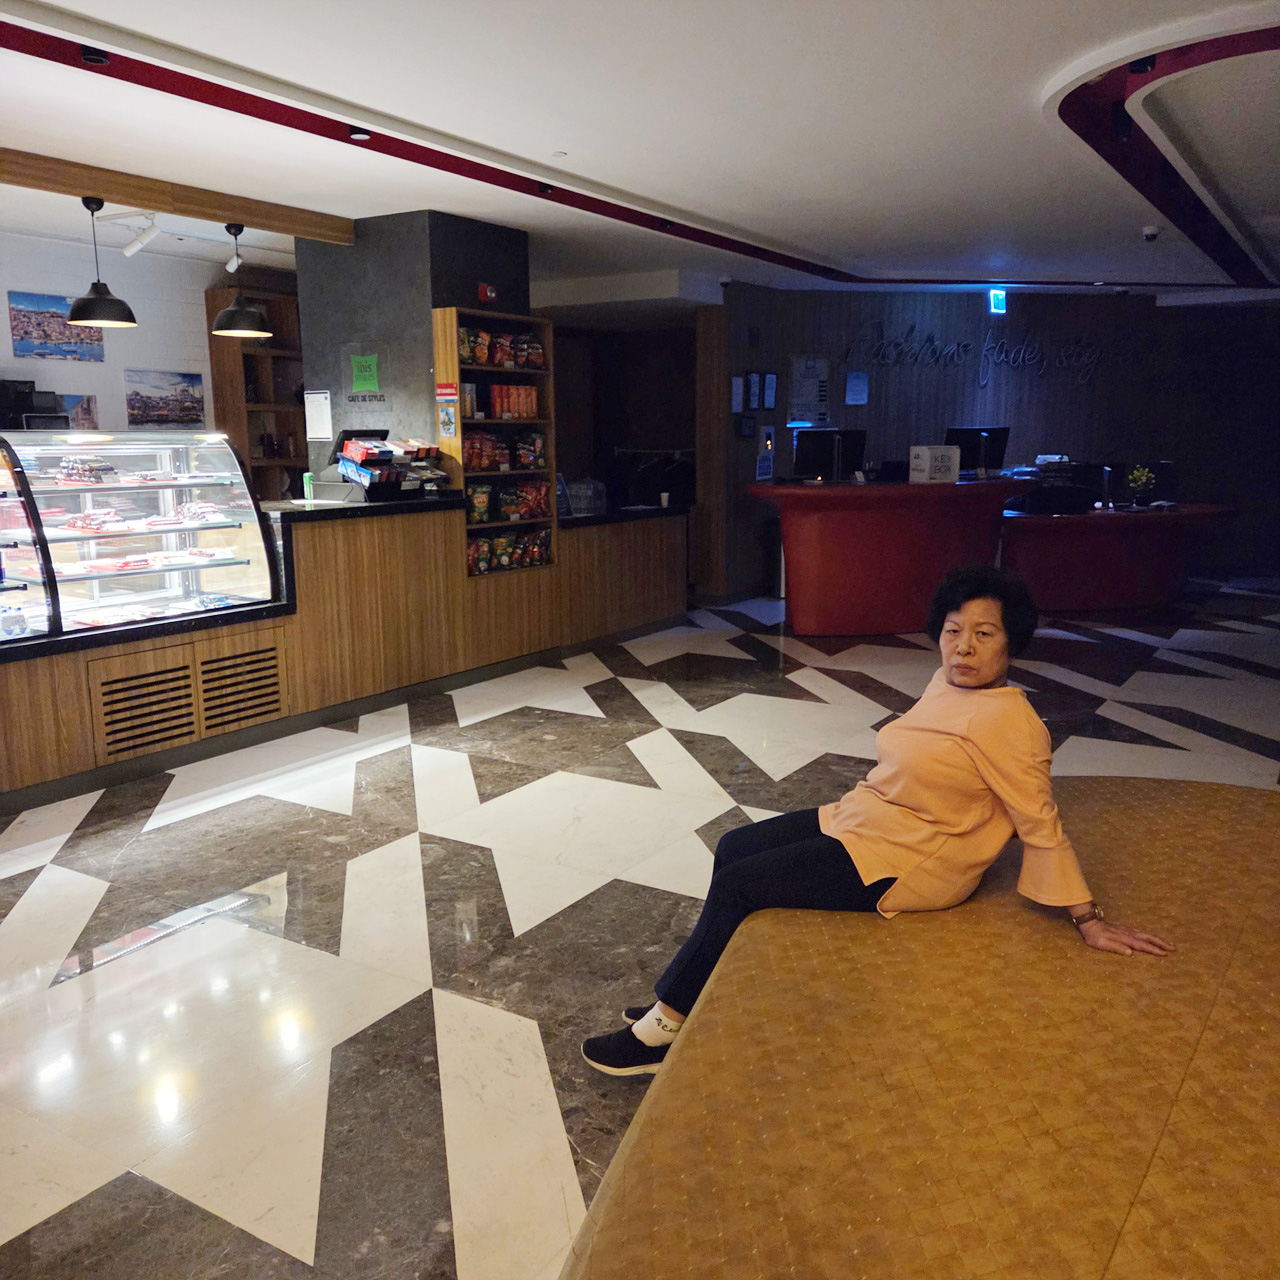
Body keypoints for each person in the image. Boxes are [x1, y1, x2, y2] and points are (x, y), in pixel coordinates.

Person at [582, 564, 1174, 1076]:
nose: (963, 648)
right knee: (735, 846)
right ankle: (700, 990)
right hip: (870, 819)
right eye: (953, 631)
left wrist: (1088, 919)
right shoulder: (945, 684)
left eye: (984, 634)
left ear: (1010, 642)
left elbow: (1040, 820)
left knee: (742, 884)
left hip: (916, 858)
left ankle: (665, 1026)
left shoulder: (1012, 723)